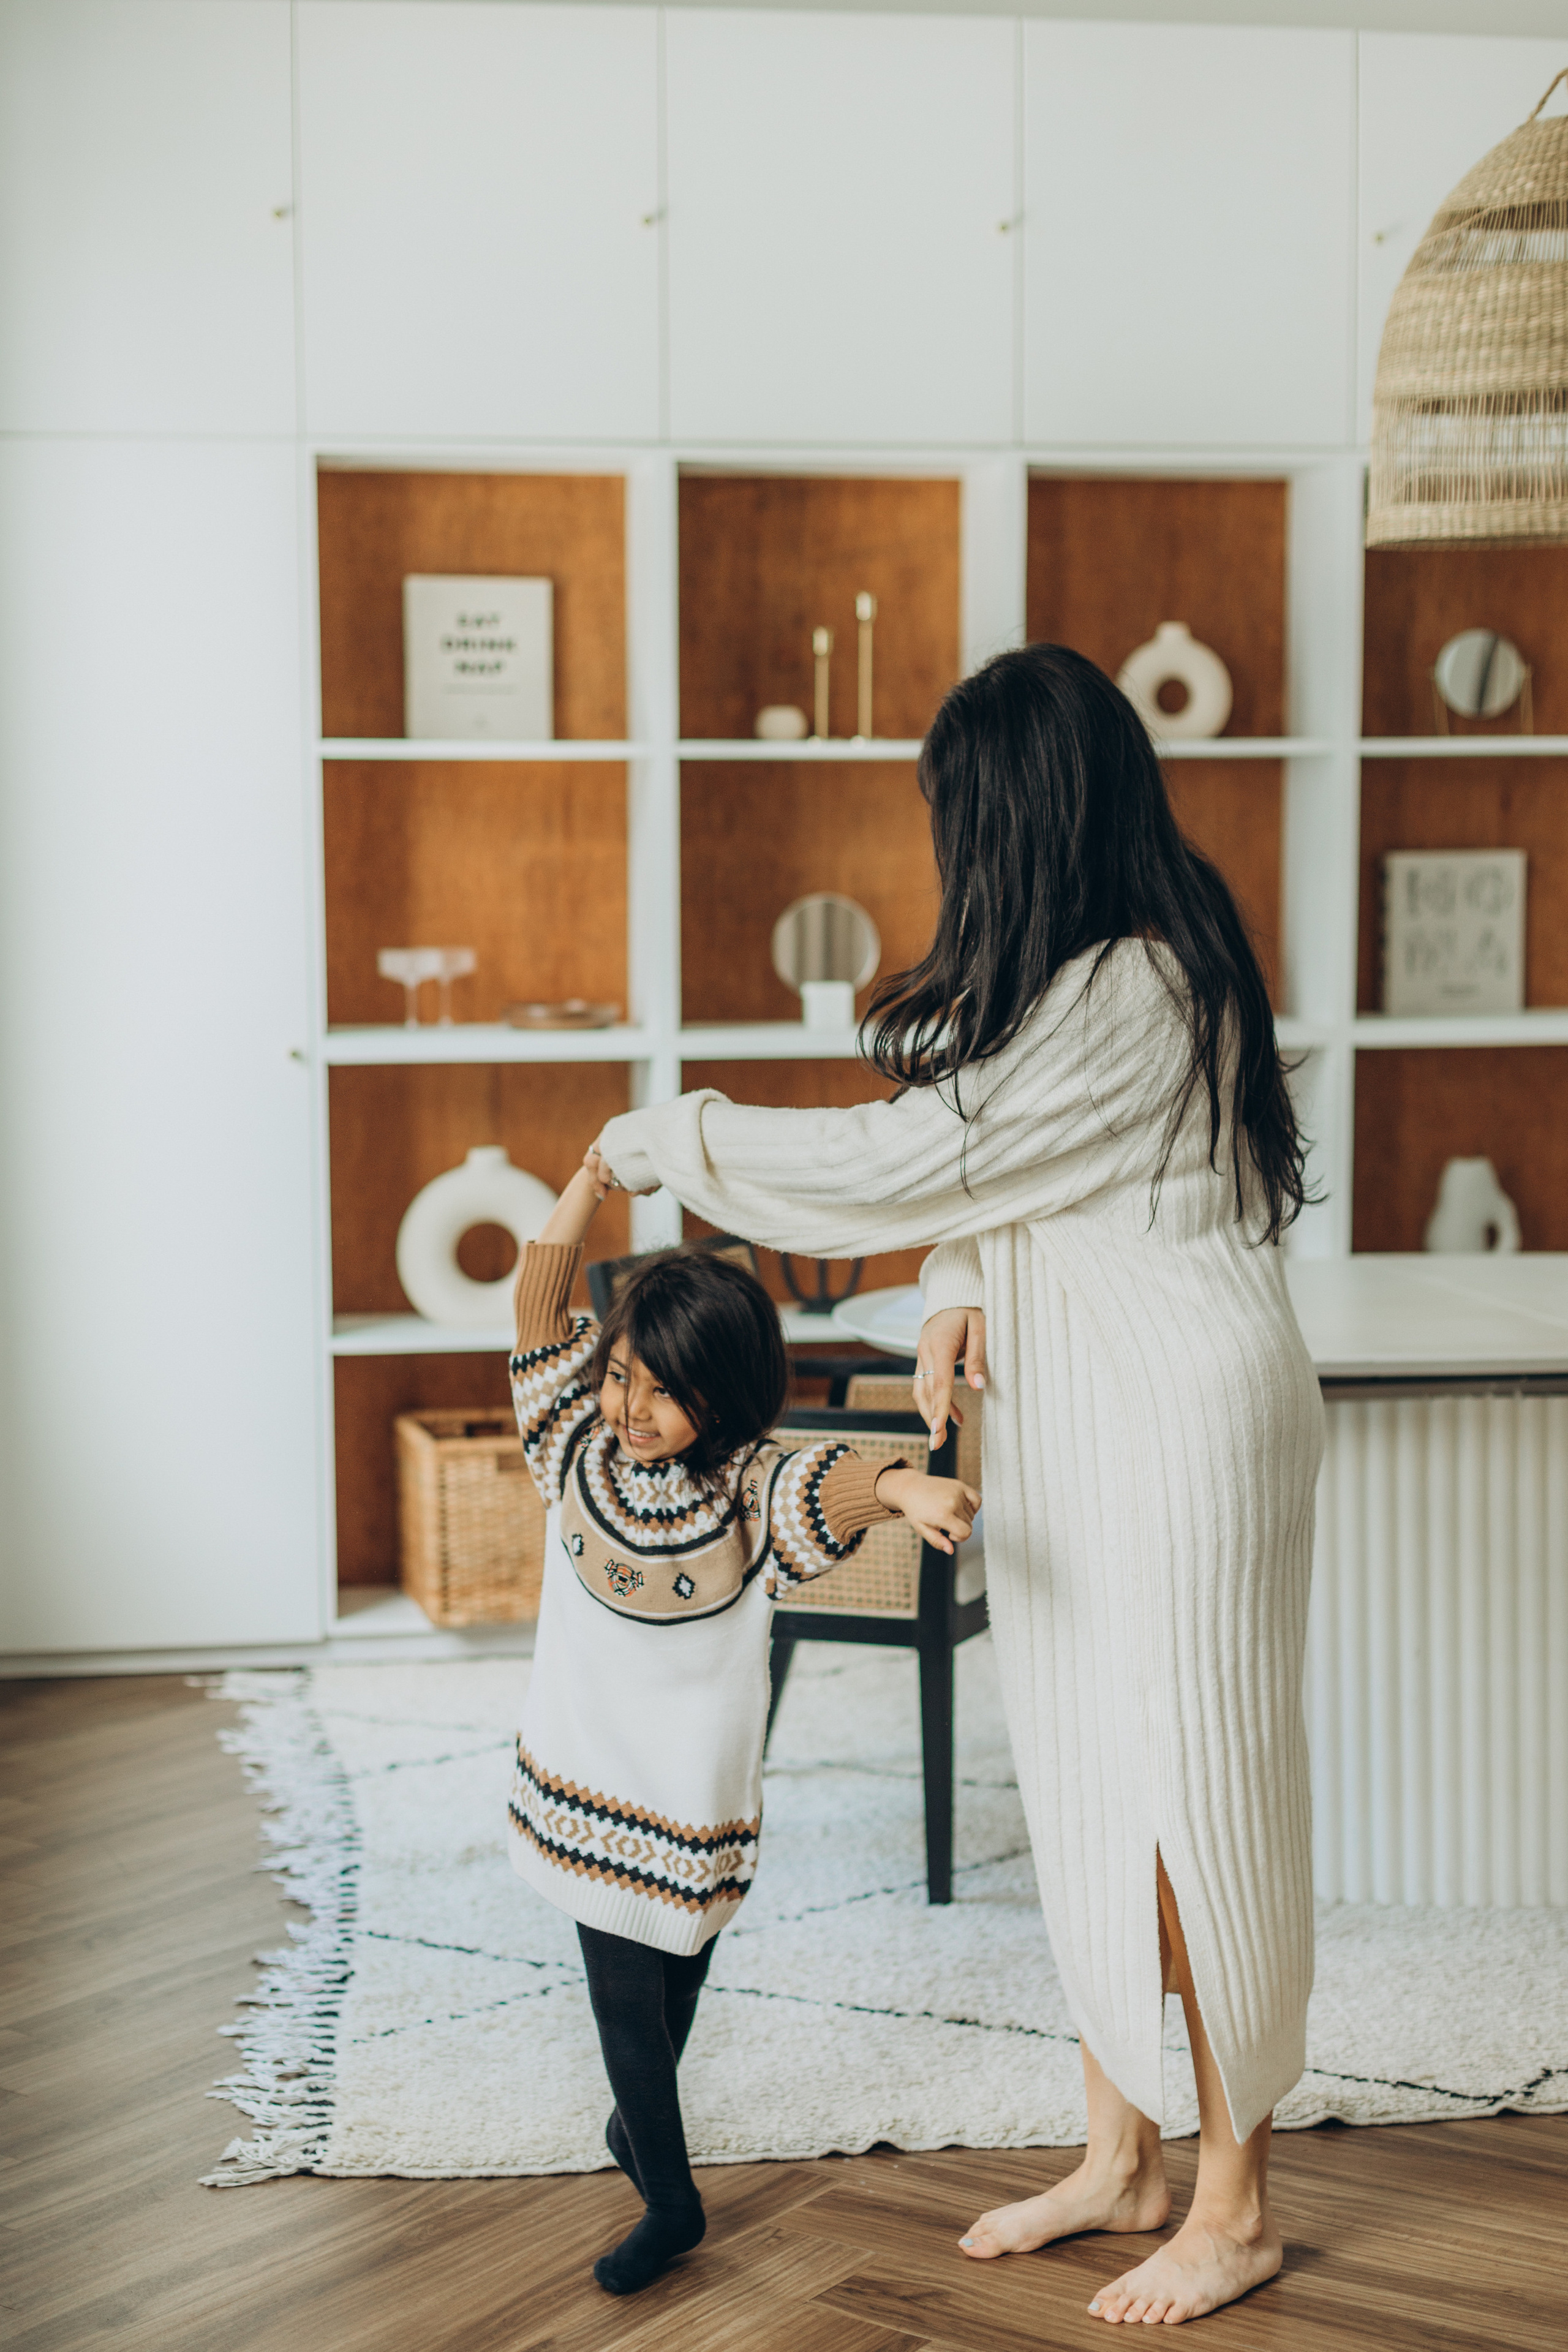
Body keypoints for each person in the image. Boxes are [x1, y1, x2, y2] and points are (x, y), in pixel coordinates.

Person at [592, 643, 1325, 2328]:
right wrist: (950, 1288)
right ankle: (1121, 2156)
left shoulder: (1141, 978)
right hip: (1083, 1417)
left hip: (1187, 1429)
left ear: (1021, 822)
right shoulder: (1100, 970)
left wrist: (673, 1137)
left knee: (1192, 1803)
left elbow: (921, 1155)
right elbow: (1012, 1180)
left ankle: (1235, 2204)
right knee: (1080, 1776)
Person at [505, 1156, 979, 2297]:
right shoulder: (568, 1443)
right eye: (621, 1375)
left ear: (721, 1401)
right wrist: (584, 1184)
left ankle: (639, 2127)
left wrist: (910, 1489)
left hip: (701, 1793)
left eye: (663, 1393)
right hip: (588, 1775)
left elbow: (826, 1483)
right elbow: (537, 1299)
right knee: (623, 1986)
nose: (630, 1406)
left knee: (678, 1970)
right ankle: (672, 2198)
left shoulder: (744, 1488)